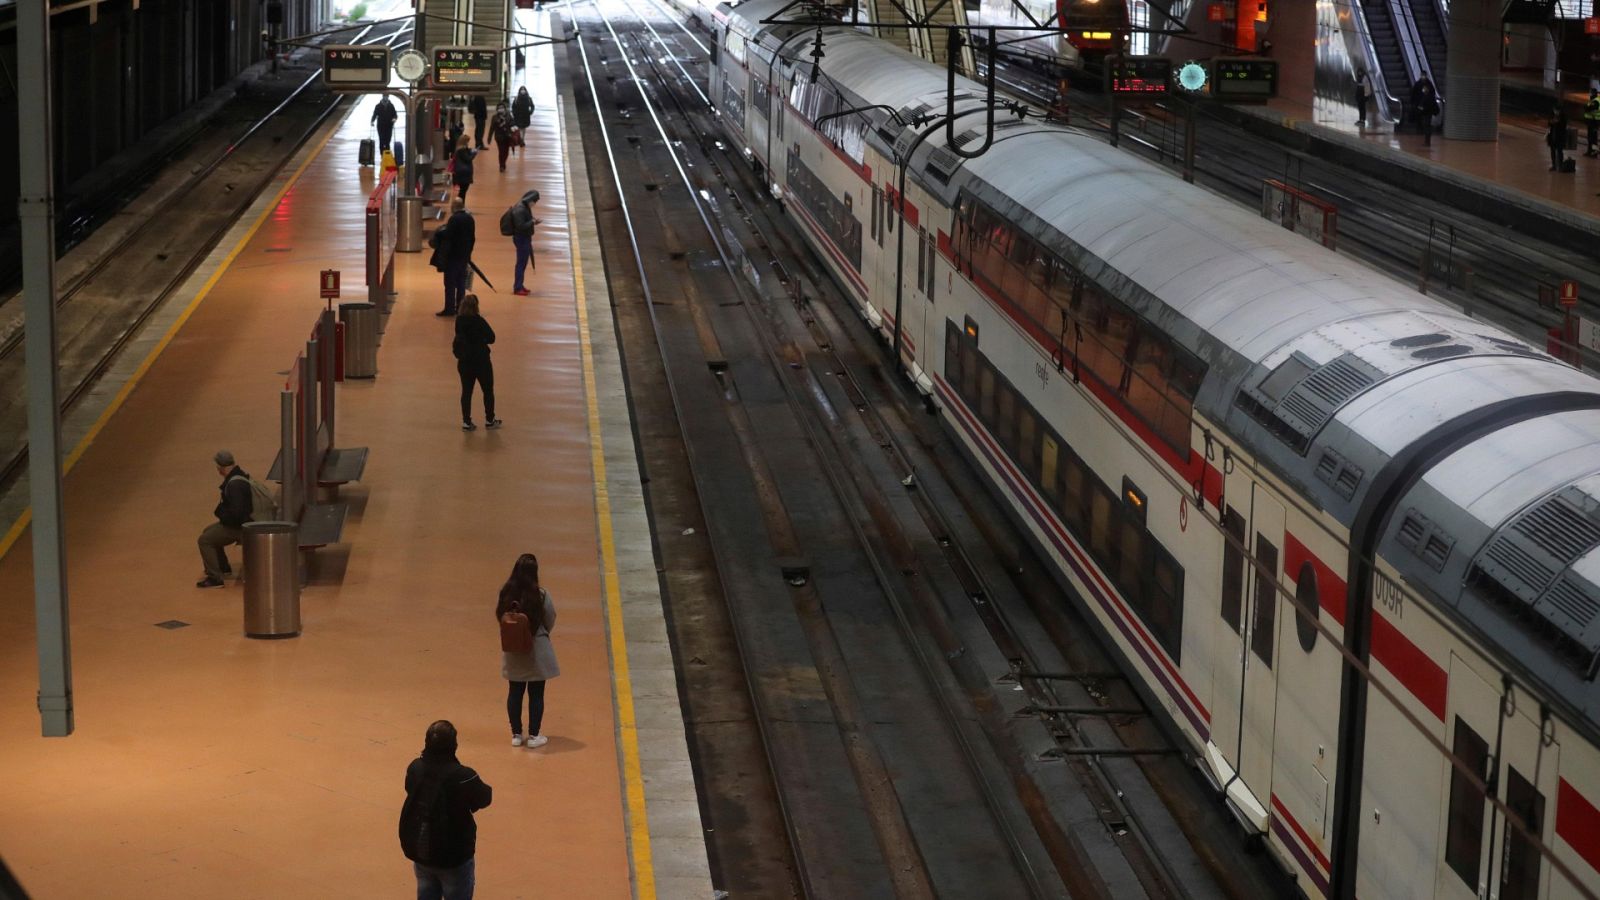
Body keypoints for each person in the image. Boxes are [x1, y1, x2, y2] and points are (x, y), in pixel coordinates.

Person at [399, 721, 493, 900]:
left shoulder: (415, 768)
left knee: (426, 891)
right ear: (454, 745)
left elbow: (409, 789)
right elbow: (485, 797)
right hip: (454, 855)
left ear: (426, 742)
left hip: (422, 849)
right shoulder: (463, 776)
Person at [495, 553, 559, 748]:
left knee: (514, 692)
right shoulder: (541, 595)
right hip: (536, 650)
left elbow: (500, 617)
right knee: (536, 693)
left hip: (513, 650)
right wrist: (540, 634)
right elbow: (550, 617)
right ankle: (534, 736)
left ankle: (516, 734)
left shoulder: (506, 593)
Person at [197, 450, 252, 588]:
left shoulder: (234, 485)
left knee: (204, 540)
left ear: (220, 467)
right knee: (208, 530)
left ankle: (215, 578)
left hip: (239, 527)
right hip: (243, 523)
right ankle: (223, 566)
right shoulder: (238, 475)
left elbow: (237, 514)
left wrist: (222, 515)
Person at [454, 294, 501, 430]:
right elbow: (492, 338)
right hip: (481, 361)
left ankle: (466, 421)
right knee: (487, 390)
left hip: (464, 361)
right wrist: (482, 340)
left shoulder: (459, 321)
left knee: (466, 391)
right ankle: (490, 419)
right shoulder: (479, 321)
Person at [430, 202, 476, 317]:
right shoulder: (470, 218)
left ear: (453, 207)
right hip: (464, 256)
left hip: (453, 256)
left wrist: (439, 233)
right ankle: (460, 307)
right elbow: (472, 238)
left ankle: (449, 308)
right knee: (461, 283)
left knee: (450, 284)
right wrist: (469, 253)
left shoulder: (454, 219)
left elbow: (448, 235)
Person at [510, 189, 541, 296]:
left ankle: (520, 285)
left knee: (523, 263)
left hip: (525, 238)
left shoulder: (524, 207)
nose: (534, 204)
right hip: (521, 239)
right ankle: (517, 287)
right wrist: (532, 222)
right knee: (521, 263)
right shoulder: (520, 209)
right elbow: (520, 226)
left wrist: (533, 222)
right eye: (534, 201)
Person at [1410, 76, 1440, 146]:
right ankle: (1427, 141)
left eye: (1425, 89)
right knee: (1426, 126)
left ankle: (1427, 141)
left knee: (1427, 126)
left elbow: (1427, 105)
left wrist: (1421, 108)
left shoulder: (1427, 96)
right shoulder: (1428, 95)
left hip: (1426, 113)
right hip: (1427, 112)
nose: (1424, 90)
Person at [488, 102, 517, 173]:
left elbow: (513, 123)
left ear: (504, 108)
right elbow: (492, 128)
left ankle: (503, 162)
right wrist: (489, 137)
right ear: (497, 109)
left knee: (506, 152)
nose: (501, 109)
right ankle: (502, 165)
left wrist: (513, 127)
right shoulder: (495, 117)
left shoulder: (508, 115)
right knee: (501, 151)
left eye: (502, 108)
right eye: (499, 108)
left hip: (507, 136)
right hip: (499, 137)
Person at [451, 141, 476, 206]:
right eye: (467, 141)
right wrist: (474, 153)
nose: (468, 143)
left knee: (463, 191)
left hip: (462, 173)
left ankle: (461, 205)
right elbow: (468, 159)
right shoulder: (461, 150)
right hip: (464, 173)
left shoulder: (460, 150)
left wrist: (470, 150)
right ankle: (459, 205)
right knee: (463, 191)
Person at [1549, 104, 1570, 172]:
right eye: (1555, 110)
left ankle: (1560, 165)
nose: (1556, 112)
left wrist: (1557, 122)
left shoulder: (1563, 117)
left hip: (1560, 137)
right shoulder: (1552, 115)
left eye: (1557, 110)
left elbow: (1564, 126)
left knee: (1559, 151)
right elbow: (1549, 123)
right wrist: (1552, 122)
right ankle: (1554, 165)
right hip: (1553, 136)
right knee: (1552, 151)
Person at [1584, 89, 1599, 157]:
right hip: (1592, 121)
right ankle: (1590, 151)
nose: (1589, 94)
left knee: (1593, 138)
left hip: (1594, 122)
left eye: (1590, 93)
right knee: (1590, 138)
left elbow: (1589, 109)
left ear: (1593, 93)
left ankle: (1594, 152)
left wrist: (1586, 107)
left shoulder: (1596, 101)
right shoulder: (1593, 100)